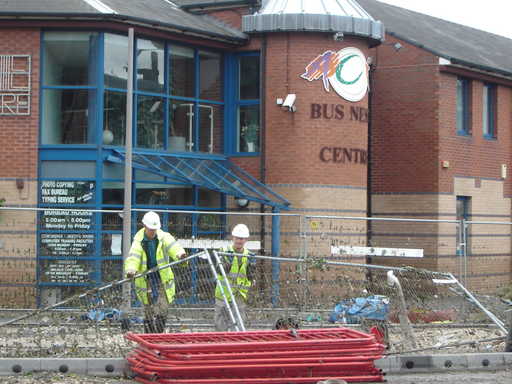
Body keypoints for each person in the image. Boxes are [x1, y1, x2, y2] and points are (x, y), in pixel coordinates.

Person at [124, 211, 186, 333]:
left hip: (162, 276)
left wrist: (180, 255)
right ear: (144, 226)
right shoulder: (138, 240)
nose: (153, 231)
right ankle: (149, 335)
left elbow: (173, 246)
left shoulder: (164, 236)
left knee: (162, 308)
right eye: (151, 229)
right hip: (145, 278)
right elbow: (134, 257)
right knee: (148, 309)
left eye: (155, 229)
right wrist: (131, 269)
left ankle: (158, 334)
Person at [214, 223, 255, 331]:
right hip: (223, 293)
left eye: (241, 239)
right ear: (233, 238)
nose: (239, 241)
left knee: (238, 324)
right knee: (220, 324)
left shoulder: (248, 255)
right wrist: (226, 263)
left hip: (239, 295)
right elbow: (219, 270)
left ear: (246, 240)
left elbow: (250, 277)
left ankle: (236, 345)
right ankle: (220, 345)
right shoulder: (224, 251)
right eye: (237, 238)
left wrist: (252, 267)